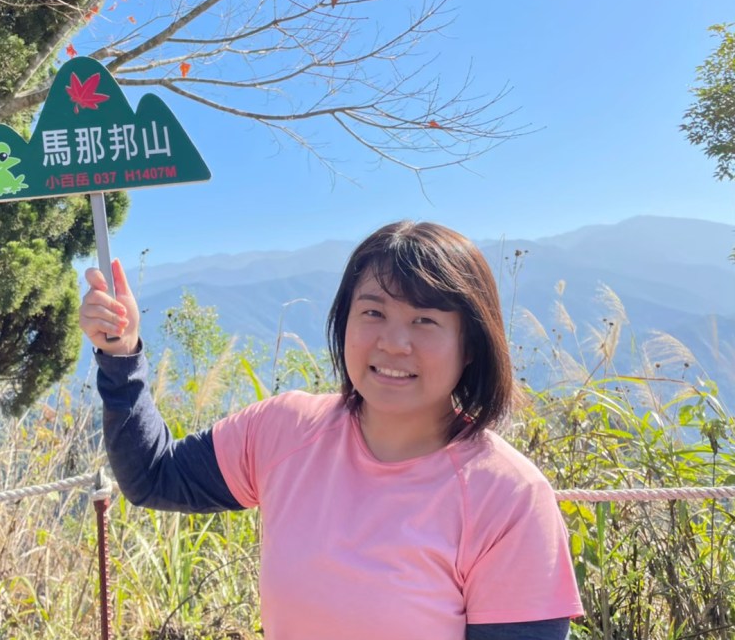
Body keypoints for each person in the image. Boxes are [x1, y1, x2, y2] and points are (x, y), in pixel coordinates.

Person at [79, 221, 583, 640]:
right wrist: (121, 355)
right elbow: (154, 476)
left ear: (470, 344)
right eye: (373, 312)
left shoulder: (508, 499)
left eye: (425, 321)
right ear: (344, 323)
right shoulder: (285, 431)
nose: (393, 342)